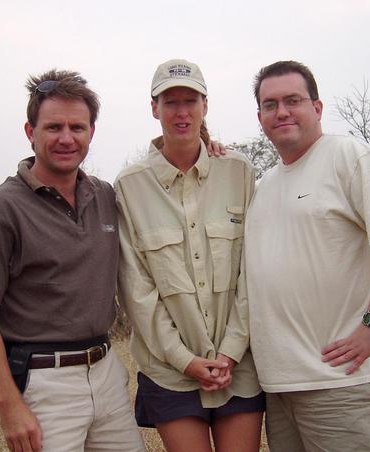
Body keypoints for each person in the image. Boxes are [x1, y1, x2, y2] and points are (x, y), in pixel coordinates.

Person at [244, 60, 370, 452]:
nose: (282, 112)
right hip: (280, 385)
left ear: (317, 107)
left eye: (293, 100)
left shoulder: (348, 157)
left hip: (341, 381)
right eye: (270, 104)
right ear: (259, 116)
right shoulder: (263, 184)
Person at [0, 70, 145, 452]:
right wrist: (9, 405)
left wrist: (207, 144)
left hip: (107, 372)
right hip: (44, 383)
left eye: (77, 127)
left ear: (91, 132)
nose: (66, 138)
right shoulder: (0, 210)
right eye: (53, 127)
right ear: (30, 131)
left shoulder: (105, 196)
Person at [115, 59, 264, 452]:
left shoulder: (238, 172)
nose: (181, 112)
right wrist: (185, 360)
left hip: (240, 366)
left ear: (205, 106)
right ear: (154, 109)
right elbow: (137, 289)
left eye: (190, 101)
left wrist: (230, 352)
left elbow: (253, 272)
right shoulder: (129, 187)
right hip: (169, 370)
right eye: (170, 102)